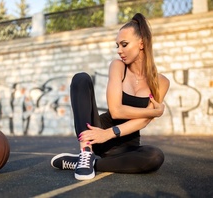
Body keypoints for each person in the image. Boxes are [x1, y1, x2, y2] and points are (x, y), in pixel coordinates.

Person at [50, 13, 170, 180]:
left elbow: (142, 121)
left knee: (155, 156)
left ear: (141, 43)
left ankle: (87, 163)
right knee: (81, 79)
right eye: (117, 46)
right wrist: (154, 112)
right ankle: (86, 153)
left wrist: (111, 133)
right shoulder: (118, 66)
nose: (119, 51)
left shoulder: (161, 82)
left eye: (124, 44)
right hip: (98, 132)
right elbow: (116, 111)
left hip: (127, 146)